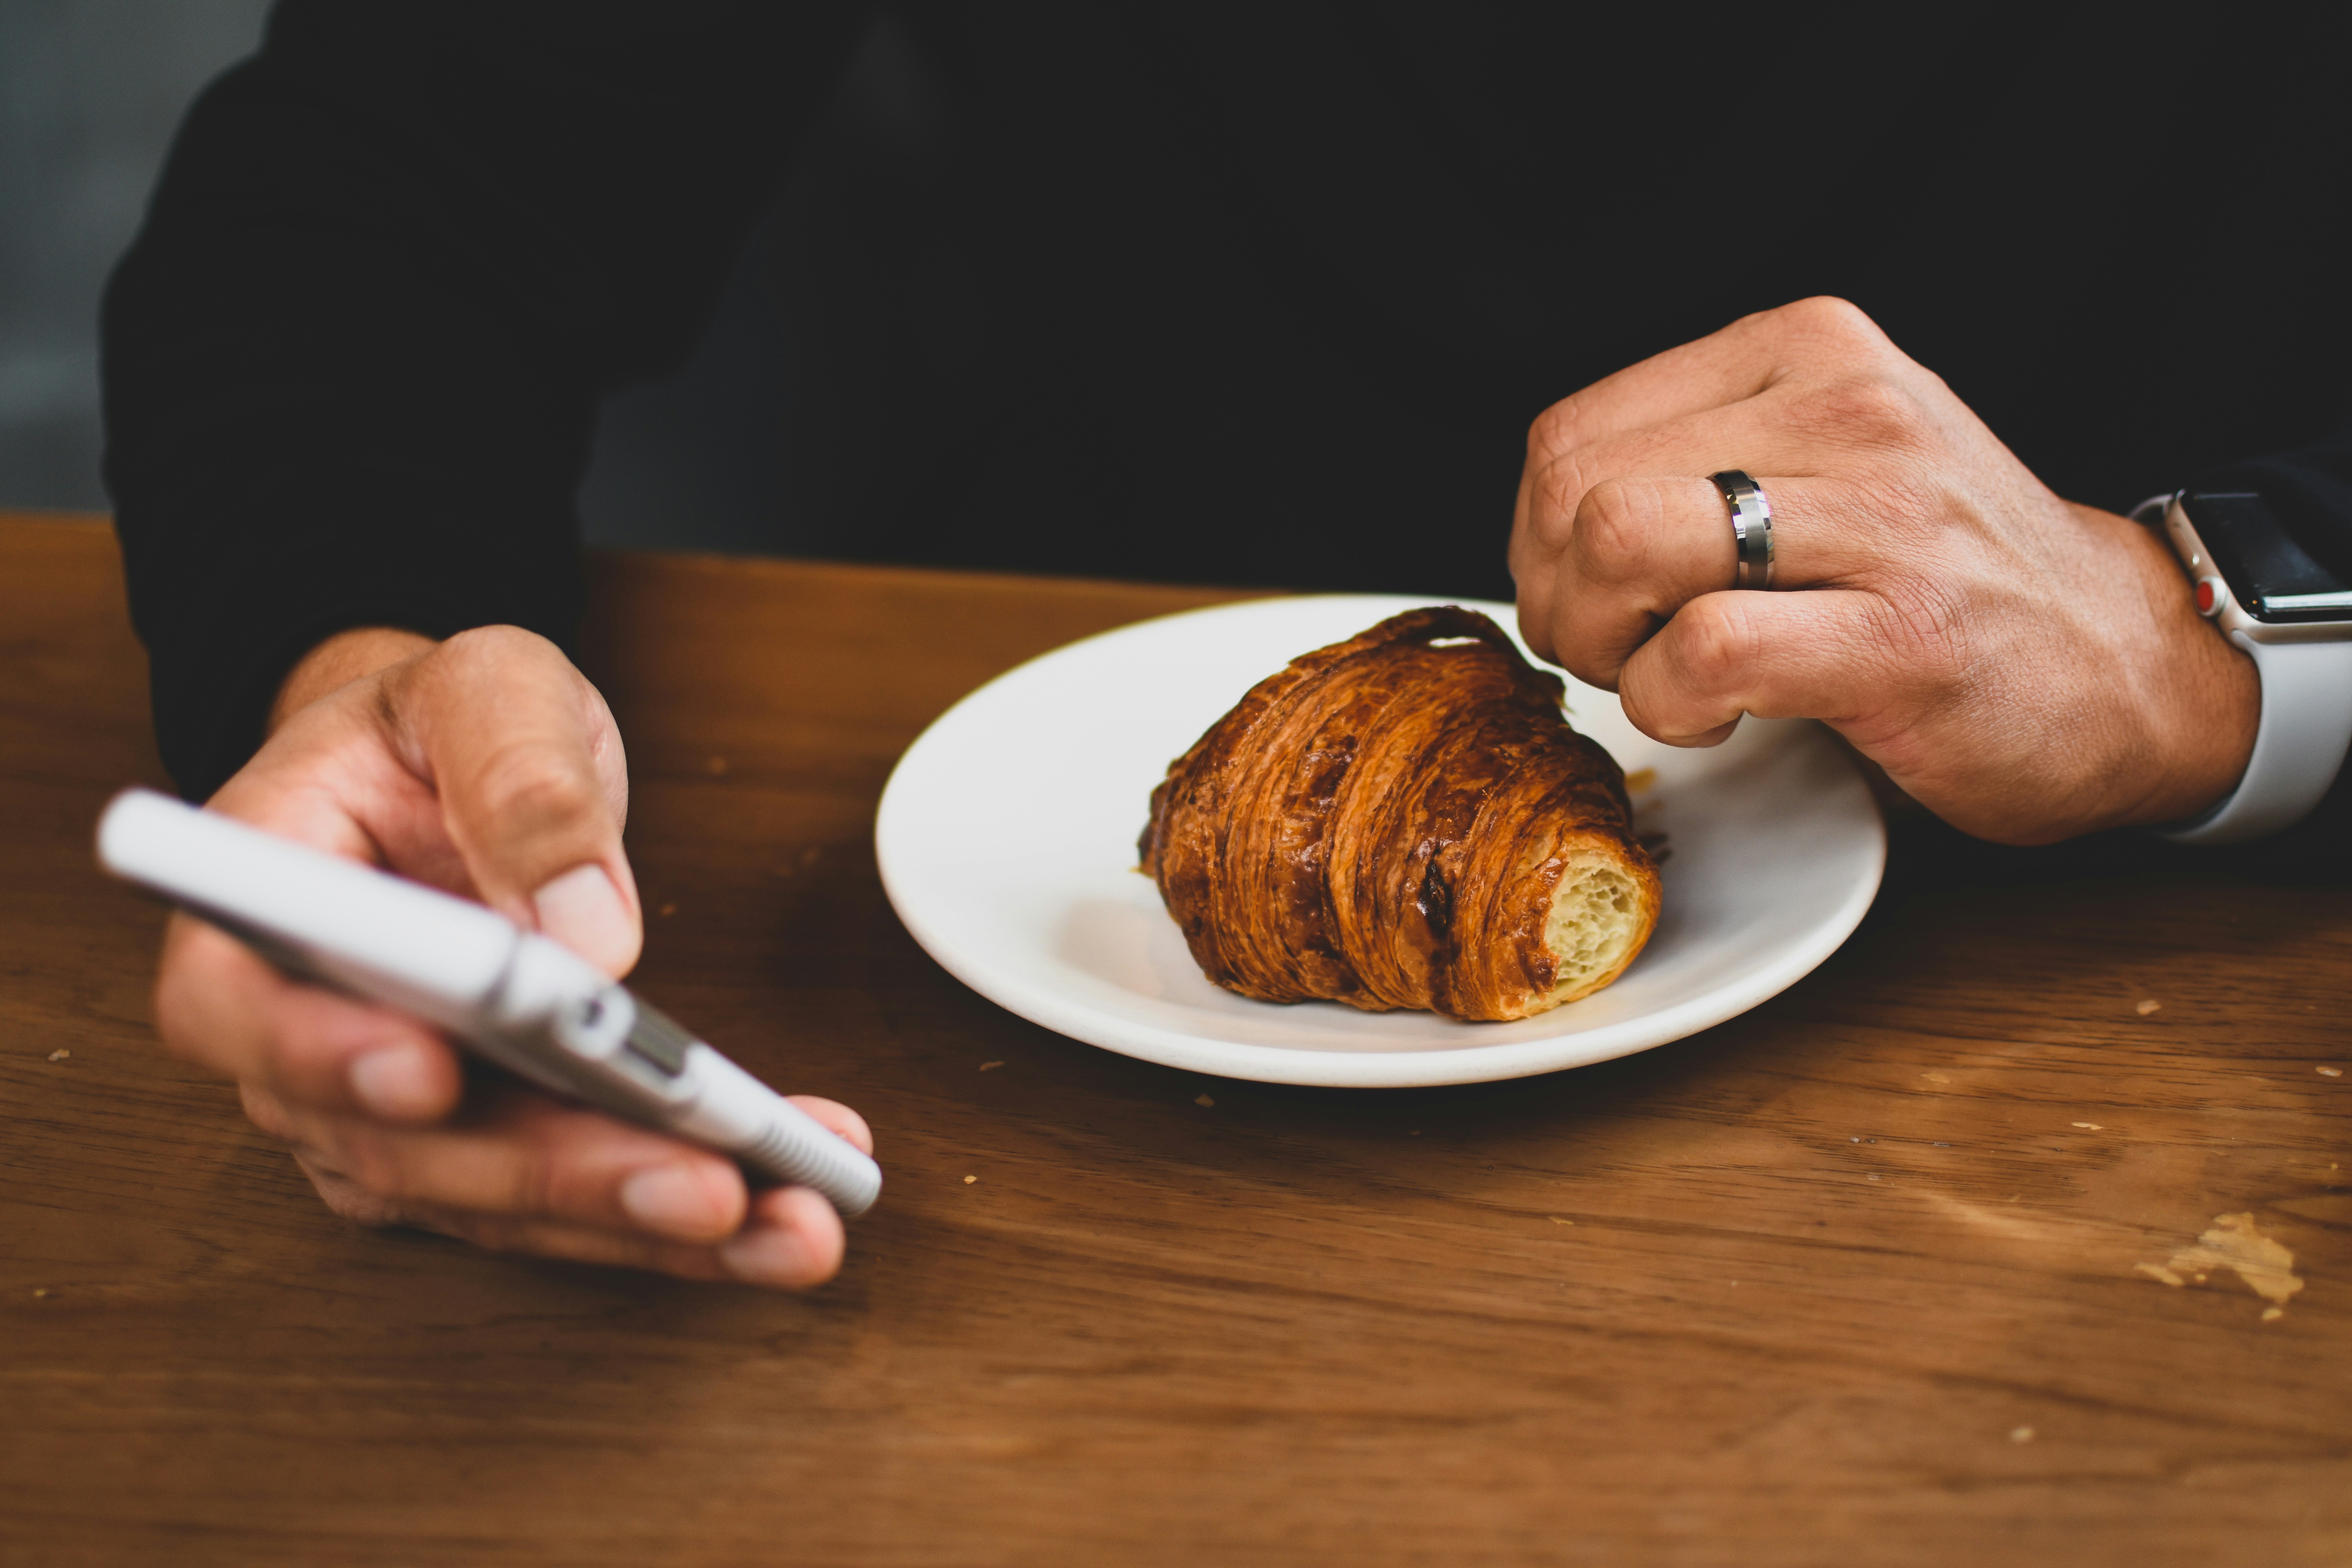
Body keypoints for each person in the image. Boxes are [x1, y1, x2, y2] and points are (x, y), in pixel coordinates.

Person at [101, 2, 2352, 1288]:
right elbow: (370, 209)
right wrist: (352, 667)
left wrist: (2215, 621)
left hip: (2104, 1097)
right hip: (1037, 1090)